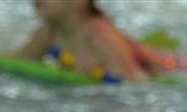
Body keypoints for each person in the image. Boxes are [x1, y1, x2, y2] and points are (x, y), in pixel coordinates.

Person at [14, 0, 153, 81]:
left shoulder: (99, 34)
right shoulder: (49, 31)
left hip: (155, 67)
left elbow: (134, 82)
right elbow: (18, 62)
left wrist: (101, 72)